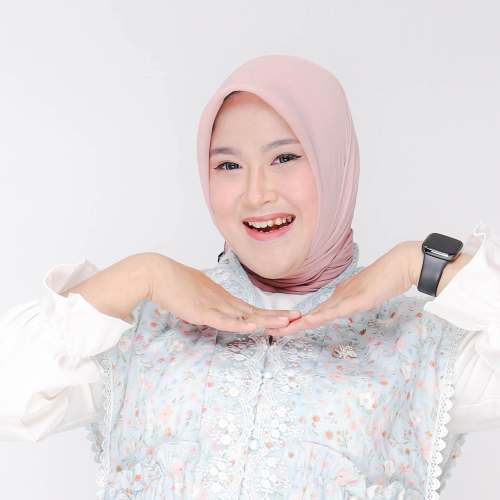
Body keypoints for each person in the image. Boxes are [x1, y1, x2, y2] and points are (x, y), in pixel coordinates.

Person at [0, 54, 499, 500]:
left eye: (285, 157)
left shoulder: (420, 340)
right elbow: (10, 400)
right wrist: (141, 272)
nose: (256, 193)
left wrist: (421, 264)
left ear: (337, 164)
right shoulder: (139, 329)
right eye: (228, 165)